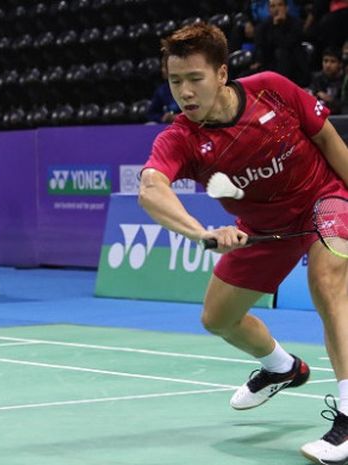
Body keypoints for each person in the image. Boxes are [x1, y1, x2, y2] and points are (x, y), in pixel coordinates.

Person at [138, 22, 348, 463]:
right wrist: (203, 233)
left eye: (195, 79)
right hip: (264, 231)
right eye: (175, 82)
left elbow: (328, 140)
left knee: (327, 282)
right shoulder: (183, 138)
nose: (185, 92)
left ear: (221, 74)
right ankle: (283, 368)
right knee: (218, 318)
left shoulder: (271, 90)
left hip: (324, 200)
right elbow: (151, 188)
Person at [252, 0, 309, 85]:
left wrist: (278, 26)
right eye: (273, 6)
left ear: (286, 8)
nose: (276, 9)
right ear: (268, 10)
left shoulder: (296, 24)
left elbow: (286, 44)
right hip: (270, 63)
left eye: (280, 5)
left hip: (293, 64)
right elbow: (262, 47)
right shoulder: (263, 27)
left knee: (282, 52)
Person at [307, 47, 345, 114]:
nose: (328, 65)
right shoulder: (316, 78)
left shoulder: (344, 80)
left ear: (340, 64)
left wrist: (330, 100)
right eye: (325, 61)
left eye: (333, 61)